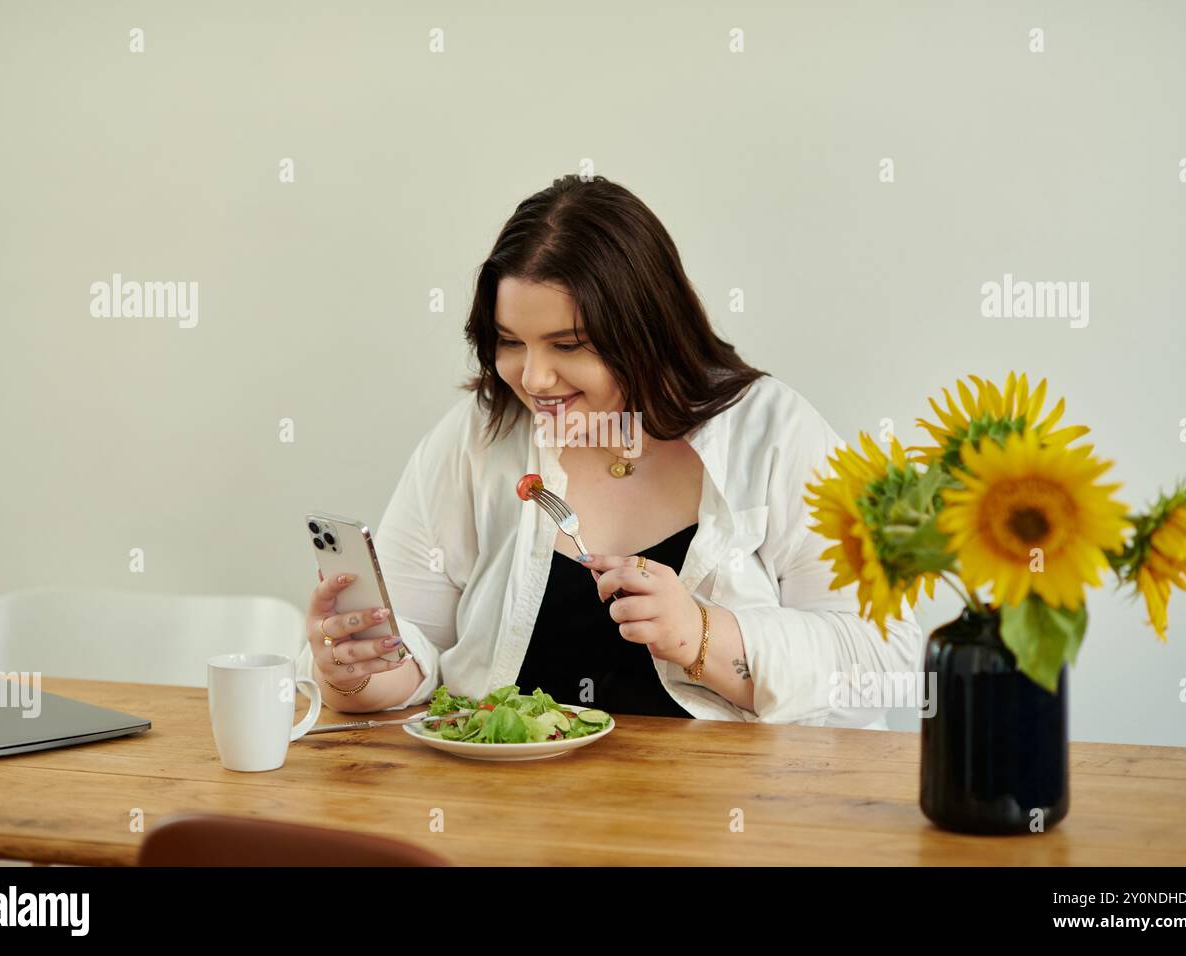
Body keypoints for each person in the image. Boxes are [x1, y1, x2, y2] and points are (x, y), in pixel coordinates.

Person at [296, 174, 922, 726]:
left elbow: (884, 665)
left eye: (568, 345)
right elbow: (414, 657)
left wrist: (700, 635)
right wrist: (354, 670)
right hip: (509, 825)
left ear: (646, 331)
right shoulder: (479, 435)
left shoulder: (774, 432)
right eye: (510, 341)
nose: (533, 379)